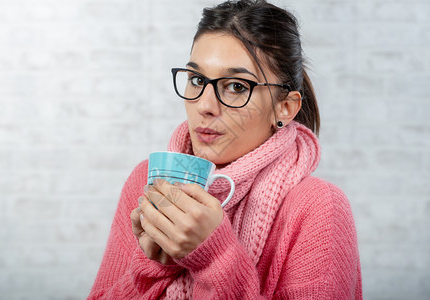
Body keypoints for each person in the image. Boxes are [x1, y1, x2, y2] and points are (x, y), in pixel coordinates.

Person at [88, 0, 363, 299]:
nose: (205, 106)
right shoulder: (147, 182)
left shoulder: (318, 207)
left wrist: (213, 257)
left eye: (236, 86)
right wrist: (154, 264)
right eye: (197, 80)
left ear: (284, 108)